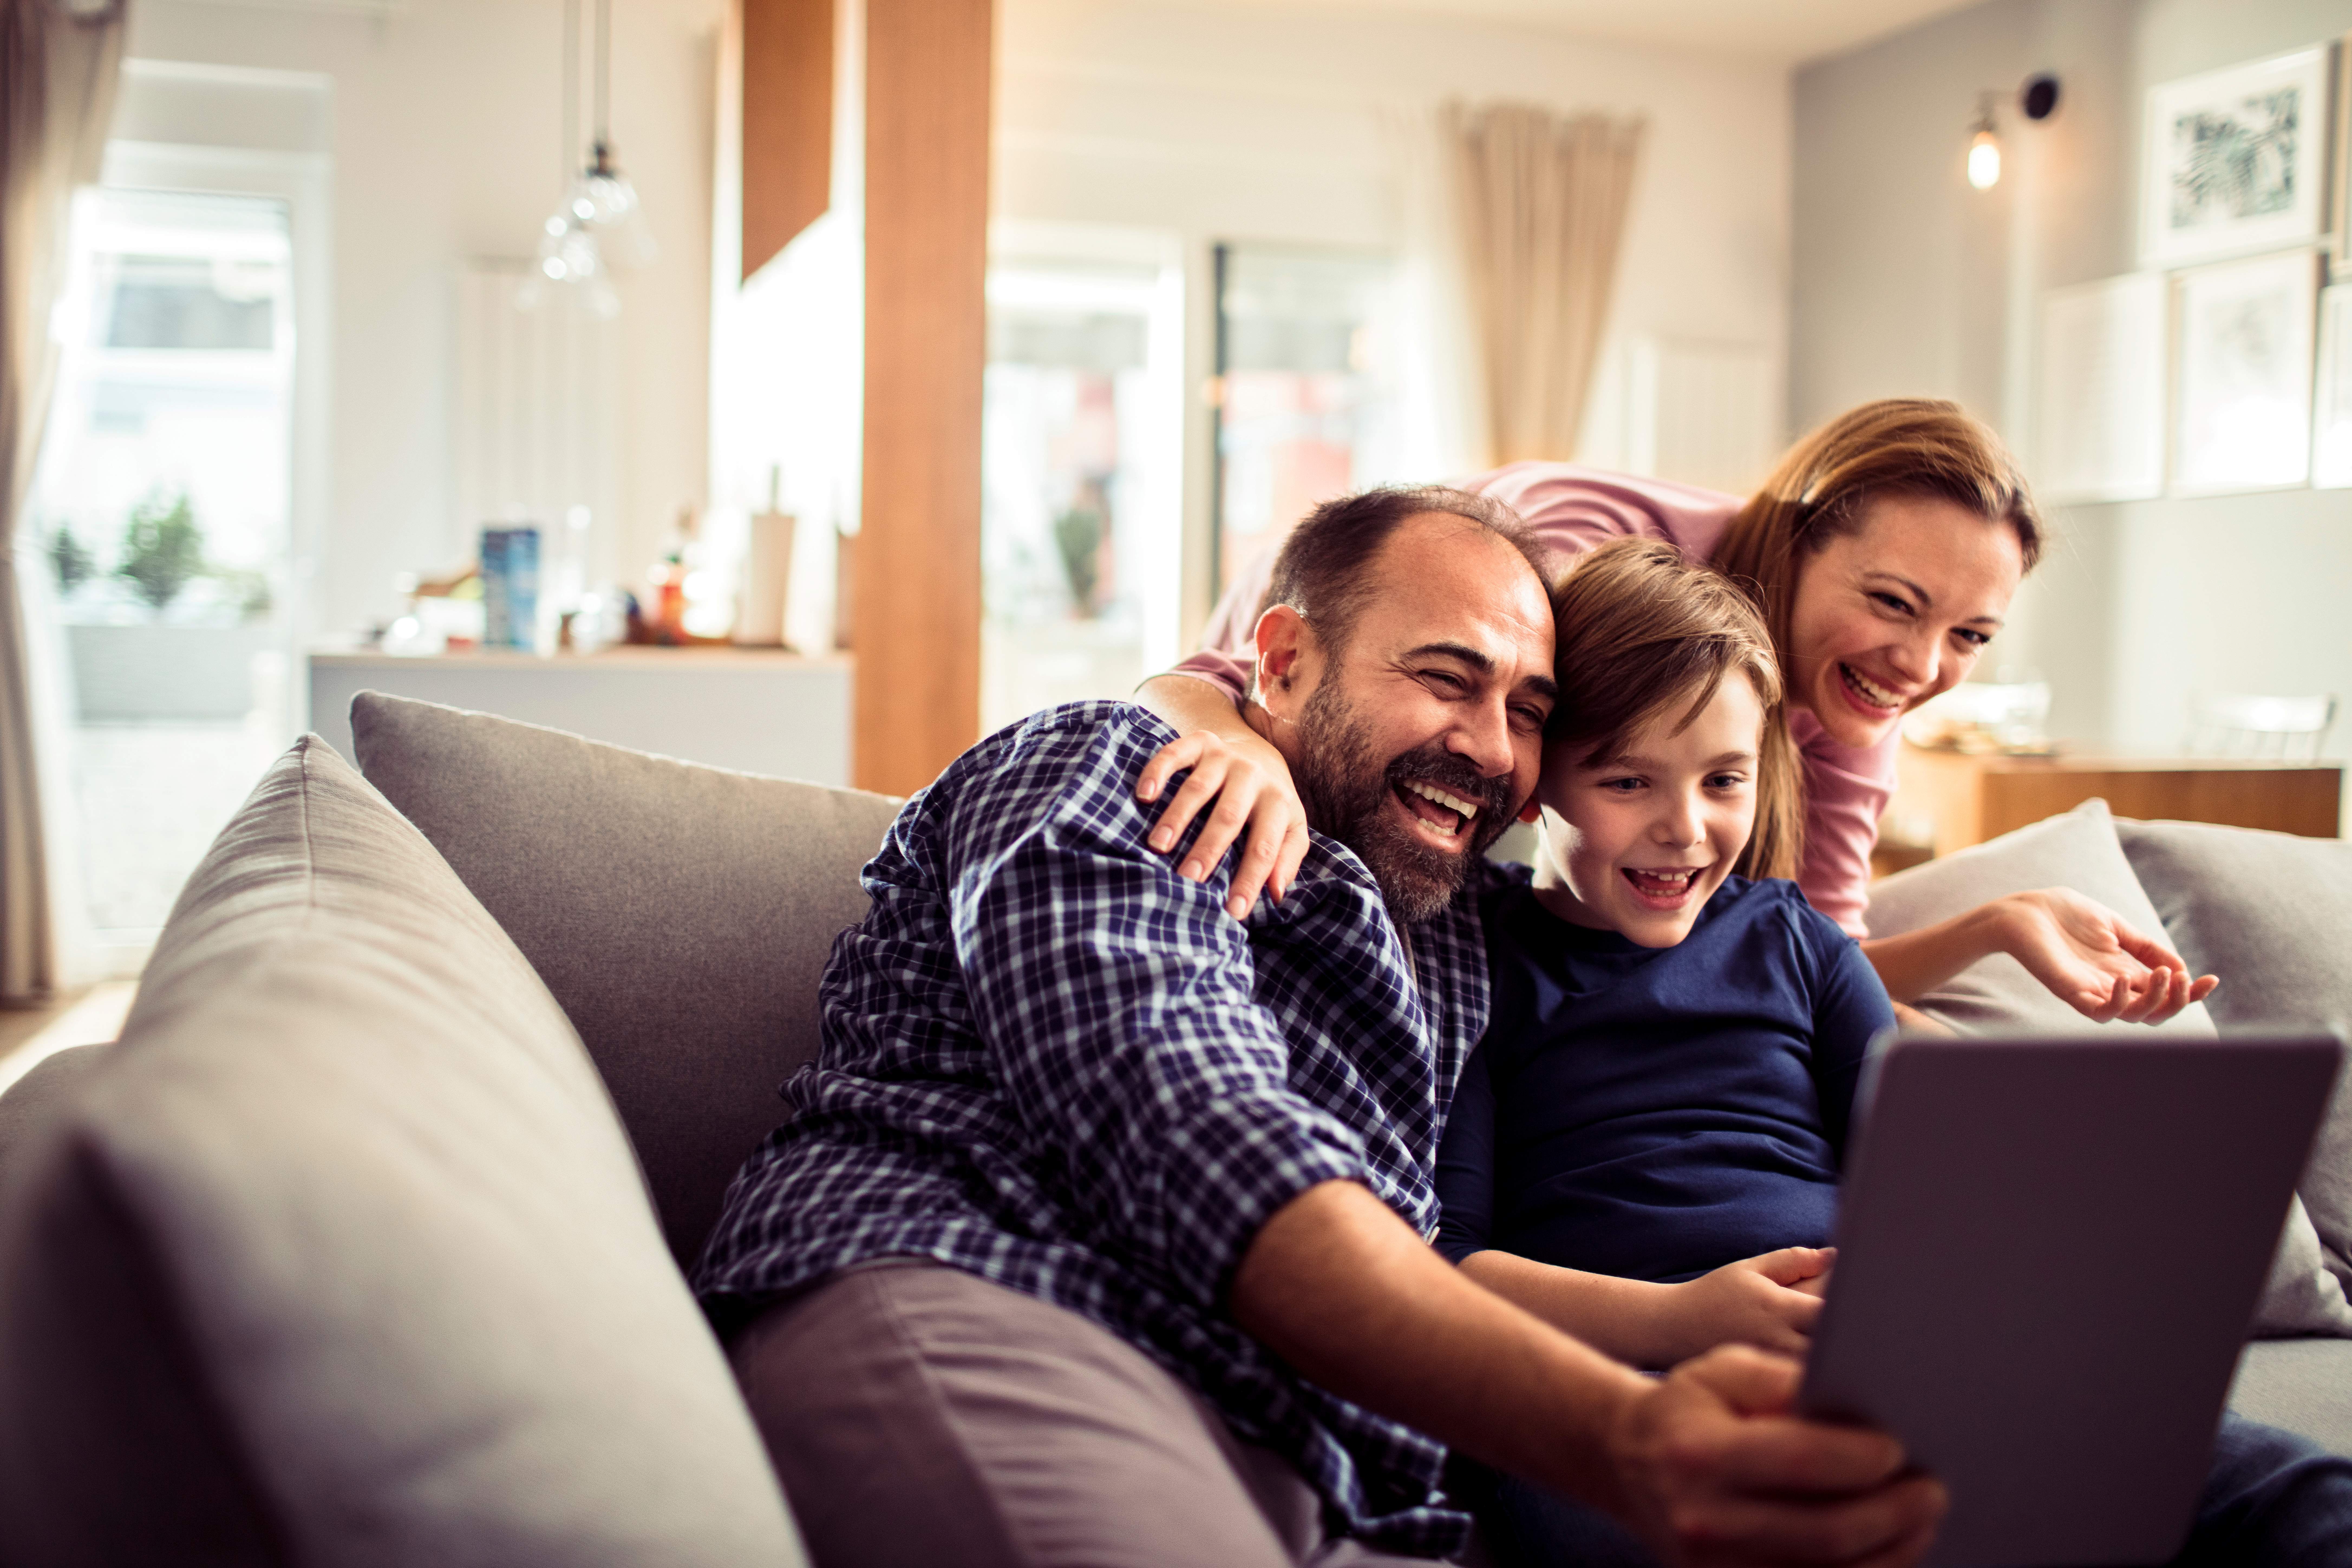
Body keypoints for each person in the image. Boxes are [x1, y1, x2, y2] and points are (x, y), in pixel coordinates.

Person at [692, 488, 1945, 1567]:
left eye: (1529, 709)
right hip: (1008, 1296)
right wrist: (1621, 1431)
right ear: (1282, 659)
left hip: (1324, 1447)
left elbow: (1698, 936)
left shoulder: (1465, 923)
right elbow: (1194, 1130)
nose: (1490, 746)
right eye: (1447, 677)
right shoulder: (1121, 770)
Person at [1433, 538, 2351, 1568]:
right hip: (1622, 1383)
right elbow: (1448, 1268)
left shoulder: (1794, 941)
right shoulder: (1477, 958)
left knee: (2296, 1489)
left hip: (1866, 1359)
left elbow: (1926, 1175)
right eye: (1628, 780)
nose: (1684, 828)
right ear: (1535, 779)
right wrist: (1682, 1318)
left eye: (1724, 780)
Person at [1131, 399, 2216, 1028]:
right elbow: (1203, 677)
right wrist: (1245, 748)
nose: (1921, 663)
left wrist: (1995, 928)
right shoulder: (1581, 557)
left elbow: (1820, 959)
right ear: (1793, 538)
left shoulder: (1848, 716)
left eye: (1970, 636)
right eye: (1893, 602)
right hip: (1307, 705)